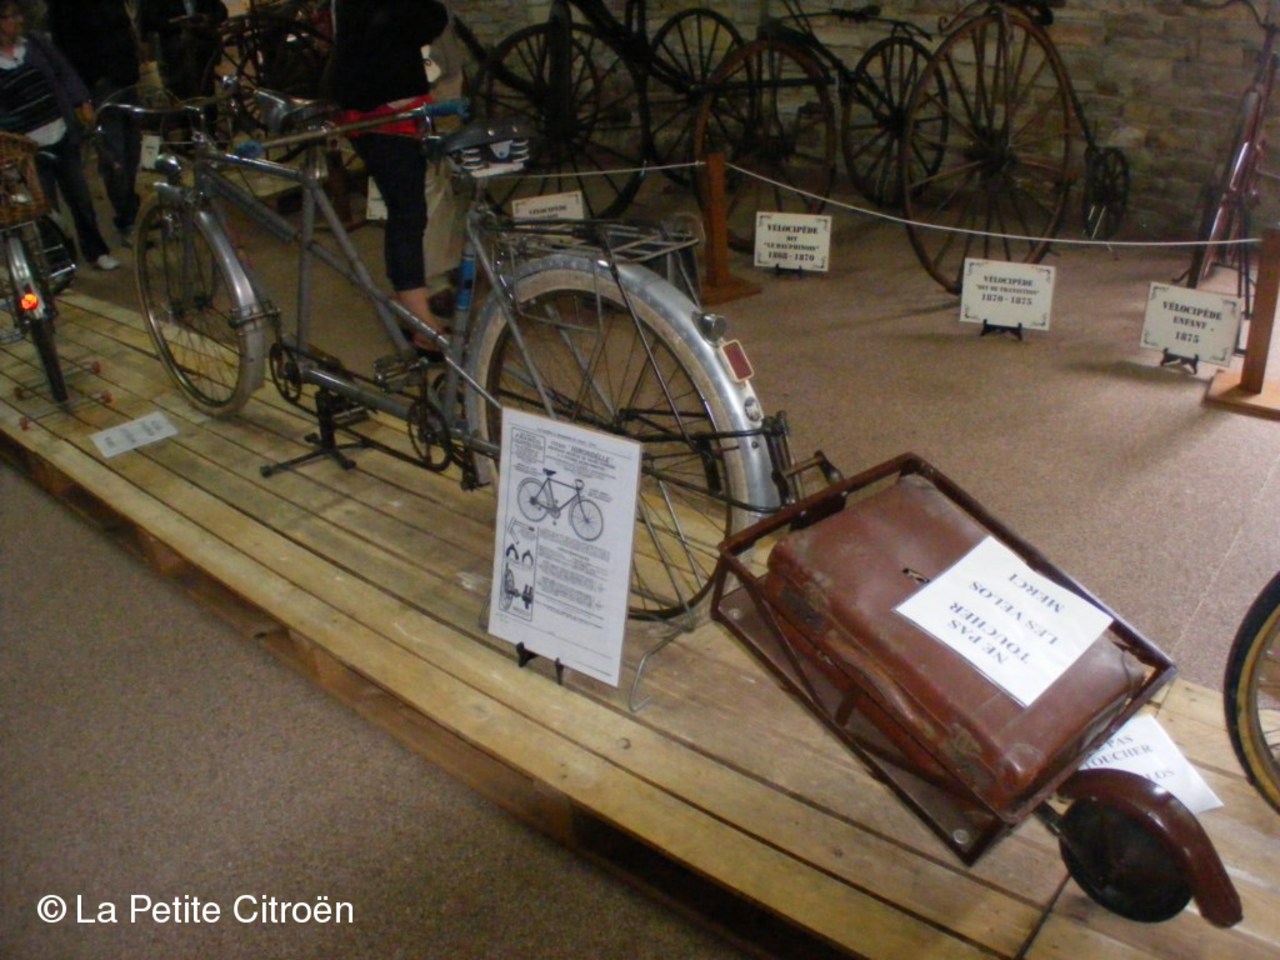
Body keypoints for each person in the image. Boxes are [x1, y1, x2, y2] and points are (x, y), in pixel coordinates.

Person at [329, 0, 450, 353]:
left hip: (394, 102)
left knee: (412, 209)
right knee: (408, 212)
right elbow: (419, 19)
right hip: (379, 110)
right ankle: (417, 319)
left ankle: (413, 302)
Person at [0, 0, 118, 270]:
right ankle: (59, 261)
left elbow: (64, 72)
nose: (17, 21)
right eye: (10, 17)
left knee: (80, 198)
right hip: (29, 147)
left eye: (18, 15)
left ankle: (96, 250)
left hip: (60, 132)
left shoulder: (35, 44)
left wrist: (81, 101)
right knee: (47, 209)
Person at [46, 0, 141, 244]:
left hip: (126, 76)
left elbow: (124, 29)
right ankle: (126, 218)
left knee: (133, 148)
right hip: (100, 85)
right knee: (114, 154)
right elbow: (65, 46)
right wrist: (89, 85)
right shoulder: (65, 6)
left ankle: (132, 209)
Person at [136, 0, 227, 100]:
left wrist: (208, 18)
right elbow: (148, 20)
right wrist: (178, 24)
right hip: (174, 55)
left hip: (202, 51)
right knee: (180, 96)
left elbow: (220, 10)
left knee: (206, 93)